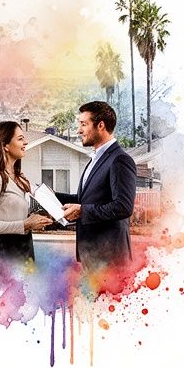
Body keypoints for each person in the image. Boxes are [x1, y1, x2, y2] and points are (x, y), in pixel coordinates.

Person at [57, 101, 136, 270]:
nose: (79, 130)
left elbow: (123, 206)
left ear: (101, 125)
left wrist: (83, 211)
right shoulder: (96, 159)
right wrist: (49, 195)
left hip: (110, 259)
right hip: (92, 255)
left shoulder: (119, 160)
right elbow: (83, 200)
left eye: (84, 124)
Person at [0, 121, 53, 266]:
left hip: (24, 248)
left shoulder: (19, 178)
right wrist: (26, 224)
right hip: (4, 253)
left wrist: (39, 218)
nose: (26, 142)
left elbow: (42, 197)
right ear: (5, 145)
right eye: (20, 139)